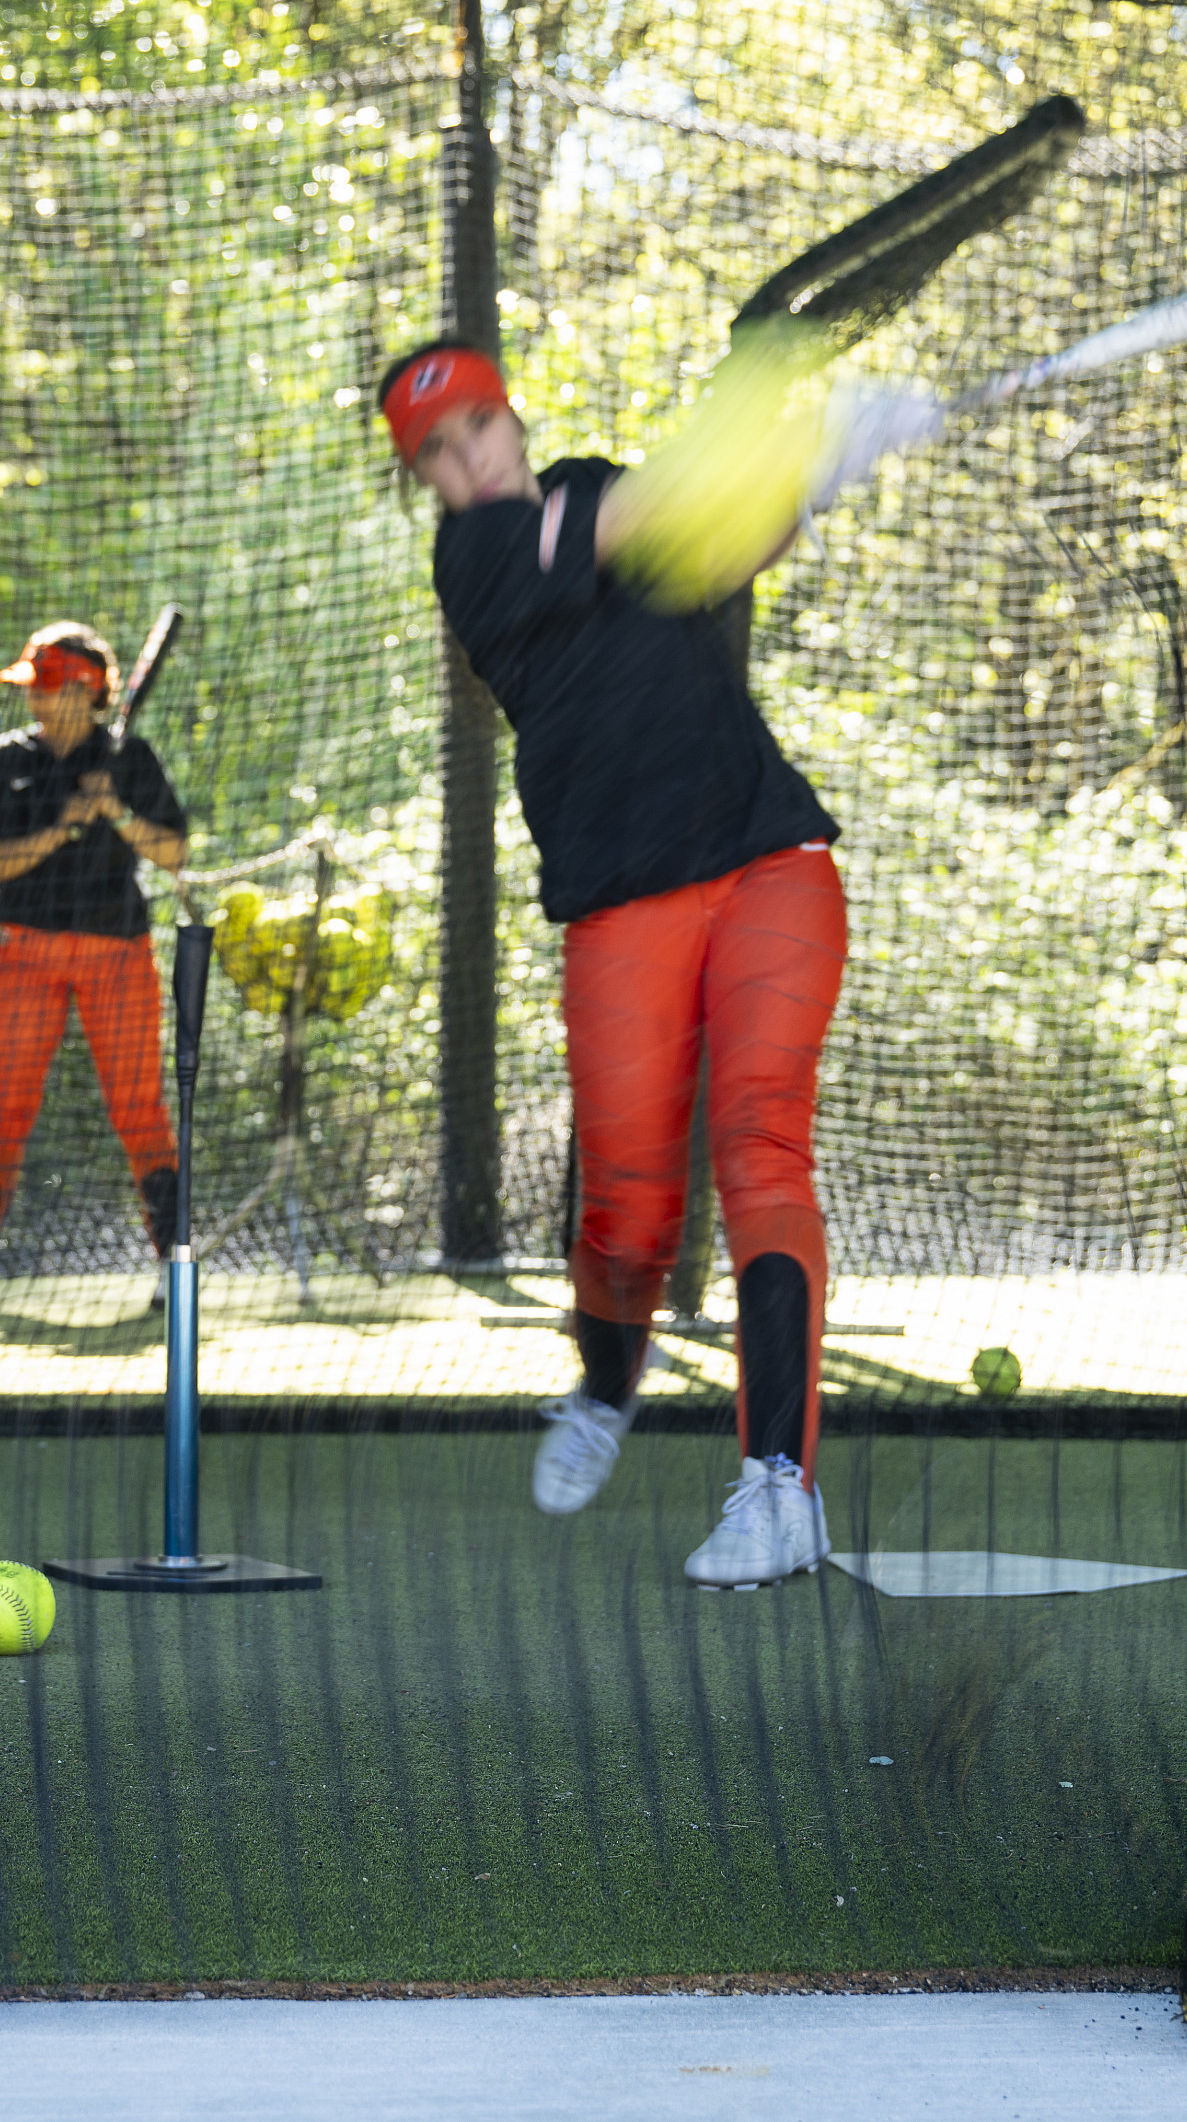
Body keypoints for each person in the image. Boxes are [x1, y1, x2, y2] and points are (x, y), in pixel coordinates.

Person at [380, 339, 848, 1590]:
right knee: (627, 1209)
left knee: (759, 1145)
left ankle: (778, 1492)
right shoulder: (473, 556)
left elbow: (711, 549)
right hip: (620, 906)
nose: (465, 457)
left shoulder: (588, 483)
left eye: (474, 425)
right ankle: (601, 1388)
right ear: (423, 479)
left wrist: (805, 487)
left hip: (768, 863)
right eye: (434, 450)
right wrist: (781, 427)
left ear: (509, 416)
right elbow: (660, 510)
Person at [0, 620, 189, 1312]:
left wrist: (116, 813)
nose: (36, 702)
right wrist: (63, 826)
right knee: (4, 1109)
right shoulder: (7, 757)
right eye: (34, 688)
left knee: (140, 1109)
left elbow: (174, 853)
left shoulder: (130, 759)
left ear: (87, 691)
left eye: (48, 689)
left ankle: (174, 1270)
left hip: (116, 953)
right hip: (25, 953)